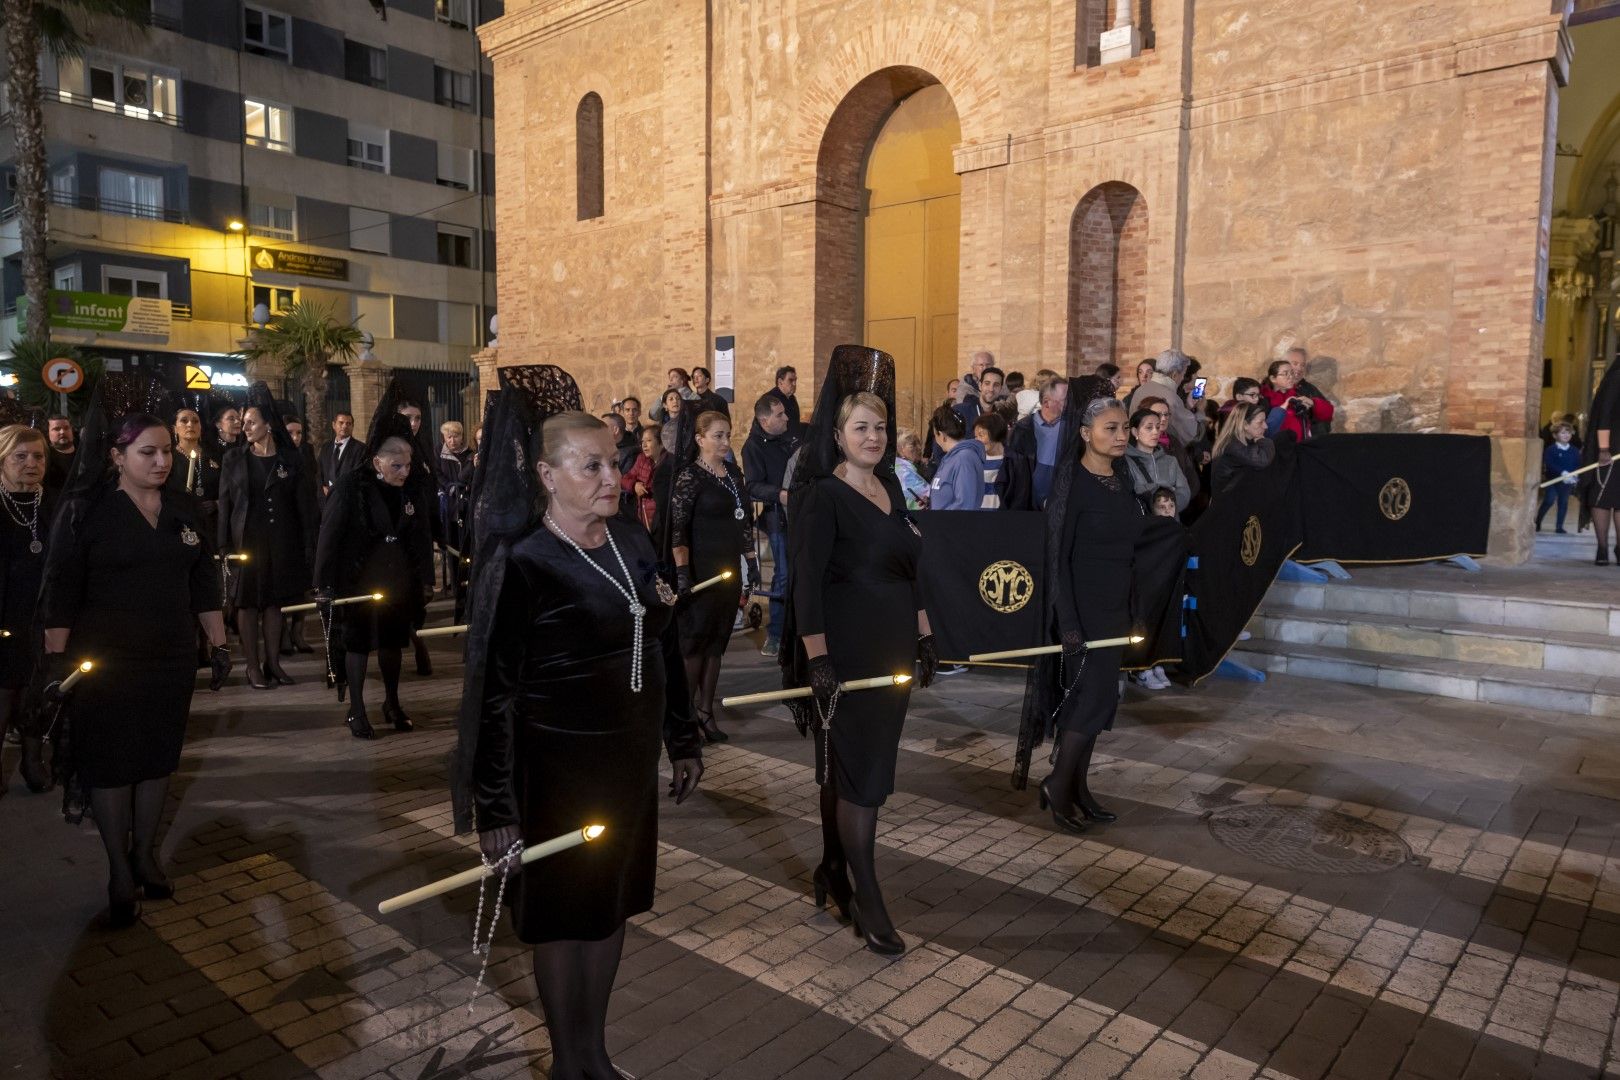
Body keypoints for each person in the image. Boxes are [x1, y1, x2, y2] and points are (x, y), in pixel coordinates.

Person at [455, 381, 703, 1080]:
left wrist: (682, 738)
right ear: (545, 475)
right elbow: (494, 697)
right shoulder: (525, 561)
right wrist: (496, 808)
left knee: (611, 905)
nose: (610, 478)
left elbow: (661, 640)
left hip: (626, 770)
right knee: (564, 919)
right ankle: (570, 1063)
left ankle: (594, 1052)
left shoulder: (630, 537)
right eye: (589, 465)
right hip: (554, 773)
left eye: (614, 462)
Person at [41, 391, 229, 927]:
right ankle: (118, 868)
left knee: (156, 758)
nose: (162, 461)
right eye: (147, 452)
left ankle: (146, 854)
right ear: (117, 457)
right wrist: (57, 661)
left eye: (167, 450)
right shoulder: (87, 511)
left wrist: (216, 644)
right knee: (111, 762)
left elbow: (203, 581)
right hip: (105, 657)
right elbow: (61, 590)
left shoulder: (181, 507)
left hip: (170, 655)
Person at [785, 345, 935, 957]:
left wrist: (924, 634)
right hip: (846, 650)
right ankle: (868, 899)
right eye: (861, 428)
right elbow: (807, 583)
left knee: (851, 770)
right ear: (838, 435)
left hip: (894, 647)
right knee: (863, 780)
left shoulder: (893, 490)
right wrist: (817, 658)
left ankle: (831, 869)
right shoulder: (822, 494)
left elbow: (912, 573)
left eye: (880, 427)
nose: (873, 437)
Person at [1039, 395, 1142, 831]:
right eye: (1110, 429)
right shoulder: (1070, 480)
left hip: (1115, 605)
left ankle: (1079, 788)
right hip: (1082, 609)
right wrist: (1068, 622)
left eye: (1124, 428)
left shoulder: (1122, 477)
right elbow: (1056, 556)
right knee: (1090, 700)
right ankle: (1057, 785)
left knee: (1100, 703)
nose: (1121, 436)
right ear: (1085, 434)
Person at [313, 421, 434, 739]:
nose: (404, 472)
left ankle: (392, 704)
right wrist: (323, 584)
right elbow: (330, 534)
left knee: (393, 642)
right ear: (377, 461)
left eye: (408, 465)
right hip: (358, 581)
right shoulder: (351, 485)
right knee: (358, 644)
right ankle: (357, 709)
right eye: (397, 466)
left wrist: (425, 579)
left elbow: (421, 534)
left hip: (397, 579)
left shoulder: (409, 488)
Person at [217, 387, 318, 689]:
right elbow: (225, 504)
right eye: (242, 422)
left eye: (250, 422)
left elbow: (306, 507)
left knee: (275, 604)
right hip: (247, 542)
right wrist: (223, 545)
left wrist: (308, 545)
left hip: (282, 541)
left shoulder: (291, 460)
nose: (243, 427)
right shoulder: (233, 458)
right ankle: (252, 667)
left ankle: (273, 662)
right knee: (247, 605)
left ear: (268, 425)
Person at [668, 411, 758, 742]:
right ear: (699, 438)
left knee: (717, 646)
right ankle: (684, 718)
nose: (724, 441)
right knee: (694, 646)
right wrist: (681, 573)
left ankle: (706, 713)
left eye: (727, 435)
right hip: (700, 573)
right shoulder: (690, 477)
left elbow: (743, 522)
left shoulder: (733, 474)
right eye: (717, 435)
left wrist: (751, 562)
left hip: (728, 571)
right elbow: (679, 530)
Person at [0, 425, 53, 795]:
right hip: (4, 614)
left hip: (45, 614)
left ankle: (33, 759)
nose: (31, 464)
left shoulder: (56, 503)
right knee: (2, 691)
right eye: (21, 457)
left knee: (40, 689)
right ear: (2, 461)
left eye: (38, 457)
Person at [743, 394, 797, 656]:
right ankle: (775, 633)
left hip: (802, 515)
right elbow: (752, 485)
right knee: (783, 574)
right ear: (765, 421)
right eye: (780, 415)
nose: (786, 417)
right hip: (777, 518)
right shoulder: (752, 447)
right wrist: (781, 494)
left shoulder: (791, 436)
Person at [1580, 360, 1620, 565]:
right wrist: (1604, 449)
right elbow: (1604, 415)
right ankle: (1602, 548)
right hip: (1609, 449)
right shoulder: (1616, 377)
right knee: (1602, 498)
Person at [1008, 377, 1067, 509]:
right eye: (1065, 400)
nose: (1070, 404)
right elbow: (1013, 471)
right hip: (1028, 504)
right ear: (1046, 402)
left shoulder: (1073, 430)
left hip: (1063, 504)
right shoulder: (1022, 429)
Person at [1123, 406, 1191, 513]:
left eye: (1158, 427)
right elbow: (1127, 494)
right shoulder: (1126, 461)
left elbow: (1184, 492)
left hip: (1169, 522)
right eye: (1149, 428)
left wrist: (1168, 509)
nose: (1155, 432)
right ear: (1135, 432)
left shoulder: (1171, 461)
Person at [1210, 403, 1278, 496]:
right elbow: (1262, 460)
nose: (1265, 426)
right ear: (1245, 425)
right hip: (1227, 500)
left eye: (1264, 421)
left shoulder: (1243, 441)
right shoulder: (1232, 445)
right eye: (1260, 422)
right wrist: (1263, 440)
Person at [928, 405, 985, 511]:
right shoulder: (952, 458)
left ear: (941, 435)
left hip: (953, 526)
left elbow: (965, 506)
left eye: (934, 435)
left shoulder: (964, 459)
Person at [1260, 359, 1334, 442]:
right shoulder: (1263, 399)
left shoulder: (1300, 392)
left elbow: (1328, 414)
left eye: (1292, 373)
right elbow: (1264, 430)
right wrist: (1282, 408)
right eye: (1285, 374)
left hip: (1301, 446)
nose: (1291, 376)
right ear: (1273, 378)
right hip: (1276, 449)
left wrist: (1313, 403)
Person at [620, 424, 665, 530]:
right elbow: (624, 479)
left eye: (649, 441)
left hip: (661, 517)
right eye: (642, 442)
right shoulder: (641, 459)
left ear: (661, 443)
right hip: (643, 515)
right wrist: (634, 485)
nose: (644, 445)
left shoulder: (668, 462)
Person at [318, 412, 368, 505]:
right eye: (341, 423)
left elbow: (358, 476)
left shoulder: (361, 449)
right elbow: (319, 472)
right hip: (325, 502)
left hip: (347, 502)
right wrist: (322, 490)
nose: (344, 426)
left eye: (348, 424)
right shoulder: (326, 447)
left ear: (352, 426)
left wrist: (336, 491)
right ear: (334, 425)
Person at [1538, 423, 1580, 534]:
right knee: (1549, 500)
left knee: (1563, 502)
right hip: (1553, 480)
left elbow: (1577, 464)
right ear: (1555, 435)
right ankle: (1537, 521)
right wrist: (1562, 472)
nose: (1566, 435)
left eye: (1568, 433)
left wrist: (1575, 476)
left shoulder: (1574, 451)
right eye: (1563, 433)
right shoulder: (1551, 450)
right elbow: (1550, 464)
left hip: (1566, 482)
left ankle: (1559, 526)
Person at [1284, 346, 1334, 436]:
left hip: (1311, 443)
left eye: (1302, 365)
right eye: (1295, 363)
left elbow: (1328, 413)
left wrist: (1313, 403)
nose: (1299, 368)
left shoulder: (1309, 388)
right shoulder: (1274, 386)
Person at [972, 411, 1008, 509]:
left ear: (995, 432)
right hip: (979, 517)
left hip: (1003, 518)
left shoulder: (1010, 461)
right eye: (976, 436)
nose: (977, 440)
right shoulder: (974, 460)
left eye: (981, 435)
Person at [894, 429, 931, 510]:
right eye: (913, 444)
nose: (919, 447)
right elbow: (929, 493)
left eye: (919, 443)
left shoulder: (900, 465)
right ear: (901, 449)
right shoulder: (903, 471)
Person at [44, 414, 77, 492]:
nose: (62, 432)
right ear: (48, 433)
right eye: (56, 429)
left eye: (66, 428)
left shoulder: (84, 452)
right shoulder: (45, 457)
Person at [612, 397, 642, 472]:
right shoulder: (616, 436)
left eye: (634, 410)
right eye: (627, 410)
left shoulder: (646, 433)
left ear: (639, 412)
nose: (631, 413)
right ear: (622, 412)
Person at [767, 365, 801, 431]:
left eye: (795, 380)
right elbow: (772, 429)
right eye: (790, 380)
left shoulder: (792, 398)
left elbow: (794, 424)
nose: (794, 384)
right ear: (780, 382)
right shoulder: (770, 399)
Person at [658, 388, 684, 454]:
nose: (675, 401)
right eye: (671, 399)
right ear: (665, 405)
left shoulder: (688, 422)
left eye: (678, 399)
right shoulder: (661, 426)